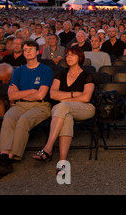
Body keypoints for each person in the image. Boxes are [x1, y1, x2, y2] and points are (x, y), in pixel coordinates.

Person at [0, 41, 53, 175]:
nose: (28, 52)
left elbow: (41, 95)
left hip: (41, 105)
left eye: (31, 49)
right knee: (8, 118)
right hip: (20, 104)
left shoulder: (45, 70)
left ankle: (10, 156)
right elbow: (10, 95)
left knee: (23, 120)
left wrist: (21, 94)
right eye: (25, 50)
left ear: (38, 52)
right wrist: (31, 91)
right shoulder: (18, 70)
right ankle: (3, 153)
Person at [32, 47, 95, 176]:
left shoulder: (87, 76)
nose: (69, 57)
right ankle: (62, 162)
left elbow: (86, 97)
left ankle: (48, 148)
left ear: (80, 57)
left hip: (85, 108)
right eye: (67, 55)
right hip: (62, 110)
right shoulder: (60, 74)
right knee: (66, 117)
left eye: (72, 55)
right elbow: (53, 94)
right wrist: (74, 94)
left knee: (63, 106)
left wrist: (65, 97)